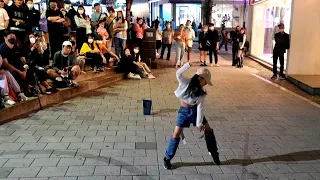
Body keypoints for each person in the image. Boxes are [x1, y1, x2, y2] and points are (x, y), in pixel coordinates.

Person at [163, 62, 220, 169]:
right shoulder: (186, 82)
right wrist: (187, 65)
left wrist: (199, 124)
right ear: (200, 78)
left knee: (208, 130)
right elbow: (178, 73)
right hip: (184, 112)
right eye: (205, 81)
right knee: (176, 134)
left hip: (195, 112)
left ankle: (214, 154)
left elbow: (200, 108)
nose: (205, 84)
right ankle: (167, 158)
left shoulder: (201, 93)